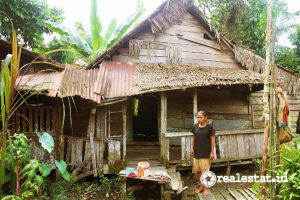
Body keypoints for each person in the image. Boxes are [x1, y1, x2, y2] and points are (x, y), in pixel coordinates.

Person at [191, 111, 215, 195]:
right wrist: (192, 149)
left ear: (205, 118)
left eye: (200, 117)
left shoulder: (209, 127)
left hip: (205, 153)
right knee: (197, 171)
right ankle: (201, 186)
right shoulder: (195, 126)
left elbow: (212, 140)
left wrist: (212, 152)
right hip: (197, 153)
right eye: (198, 117)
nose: (199, 119)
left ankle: (206, 188)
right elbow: (194, 138)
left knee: (205, 172)